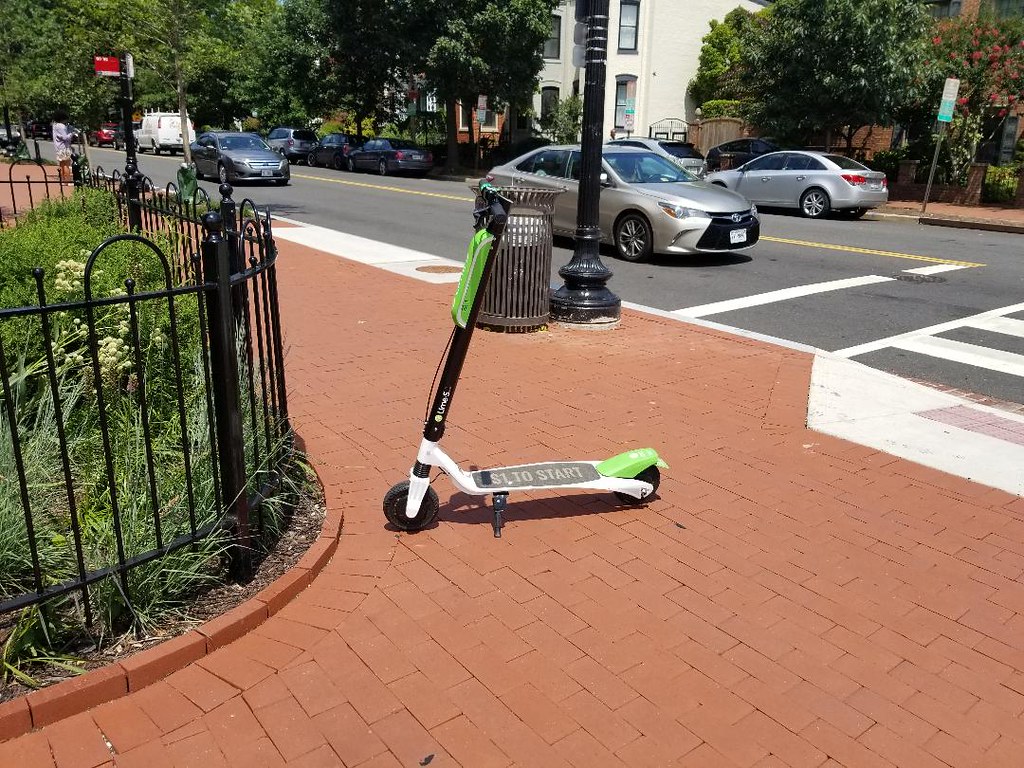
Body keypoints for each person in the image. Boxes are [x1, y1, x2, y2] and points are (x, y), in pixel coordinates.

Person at [51, 110, 77, 185]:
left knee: (62, 164)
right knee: (66, 165)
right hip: (64, 147)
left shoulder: (55, 125)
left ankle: (63, 181)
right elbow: (65, 138)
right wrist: (71, 133)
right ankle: (67, 181)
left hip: (59, 147)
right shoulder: (62, 126)